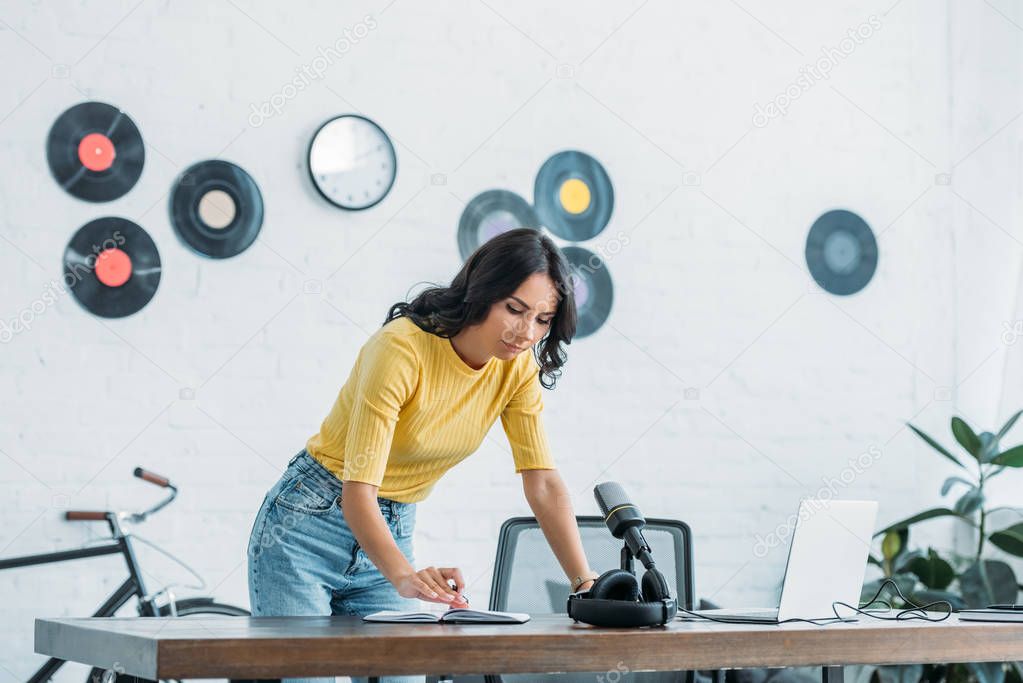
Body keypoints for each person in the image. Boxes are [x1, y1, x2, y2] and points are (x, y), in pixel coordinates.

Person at [247, 228, 600, 683]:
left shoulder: (515, 369)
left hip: (391, 525)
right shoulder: (400, 349)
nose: (525, 333)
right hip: (304, 528)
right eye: (514, 309)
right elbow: (358, 494)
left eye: (542, 320)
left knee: (404, 676)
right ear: (482, 292)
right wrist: (405, 576)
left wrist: (584, 584)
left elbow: (543, 482)